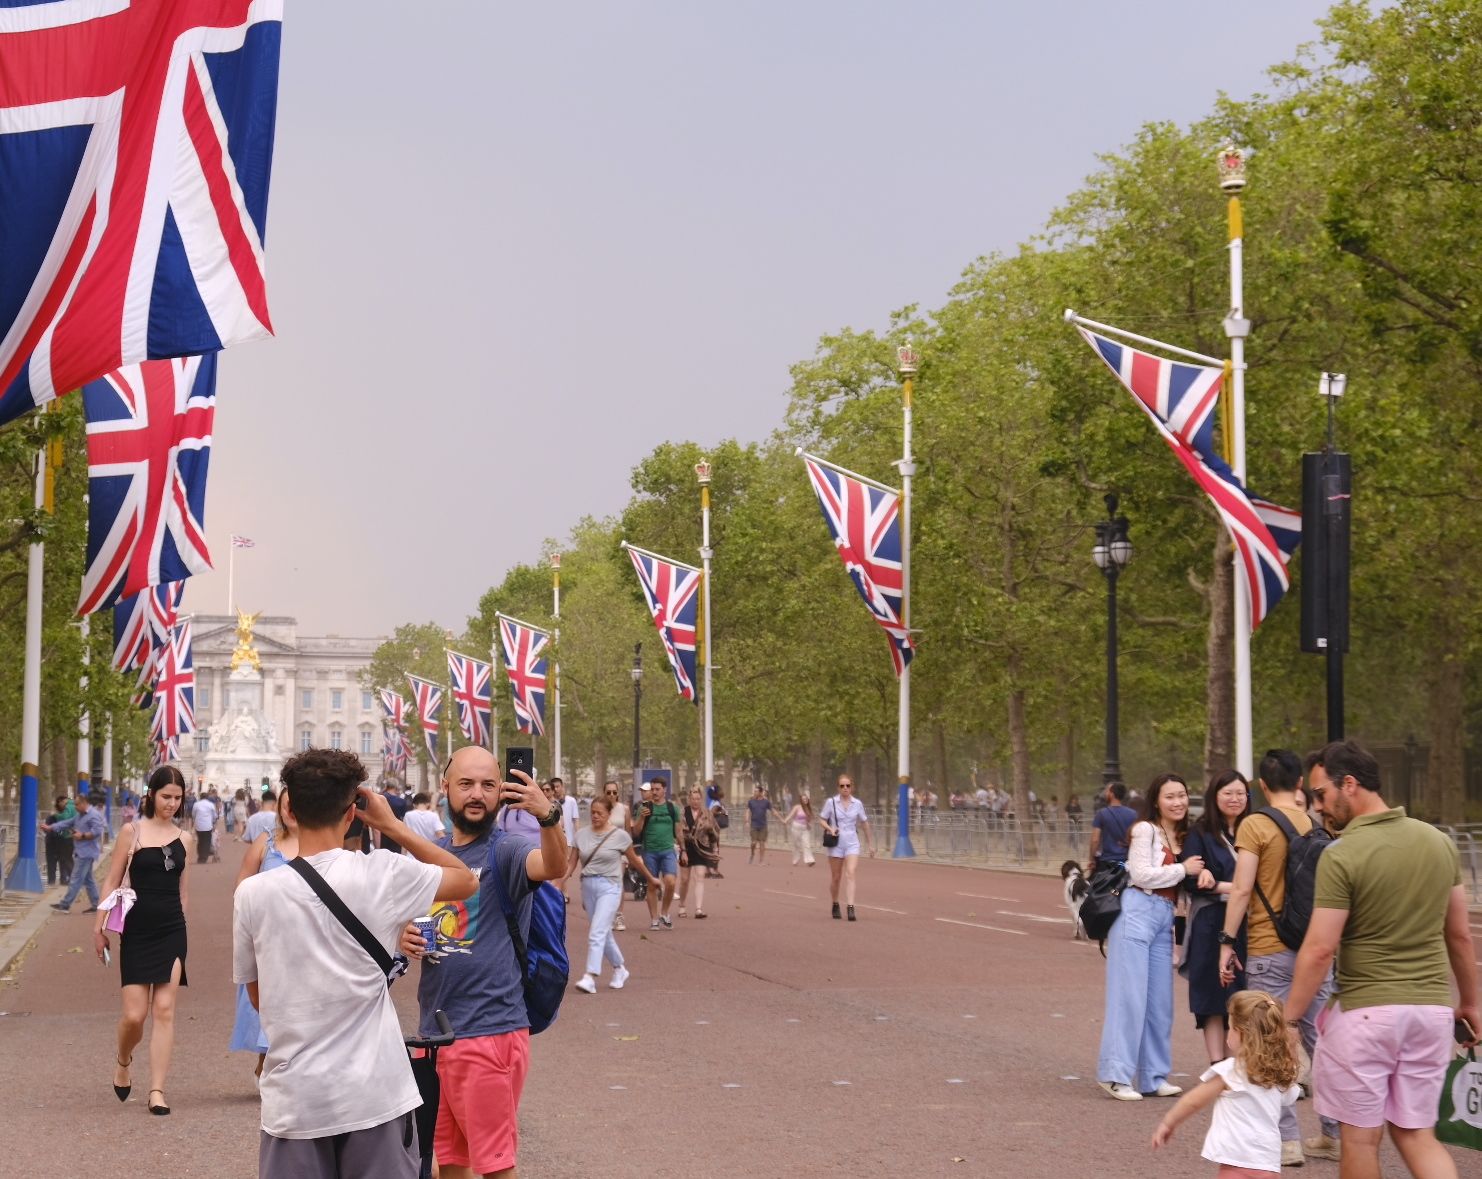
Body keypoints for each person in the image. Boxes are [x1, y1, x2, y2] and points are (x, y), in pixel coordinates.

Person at [233, 749, 477, 1178]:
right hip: (375, 1094)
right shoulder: (382, 872)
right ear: (352, 814)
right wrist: (391, 825)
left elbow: (258, 996)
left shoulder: (253, 894)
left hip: (296, 1099)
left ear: (287, 808)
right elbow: (465, 878)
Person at [1283, 740, 1480, 1179]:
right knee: (1416, 1135)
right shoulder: (1438, 843)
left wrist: (1290, 1020)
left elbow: (1319, 949)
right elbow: (1459, 936)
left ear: (1348, 785)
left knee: (1360, 1138)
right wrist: (1470, 1003)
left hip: (1366, 1011)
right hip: (1429, 1011)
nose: (1318, 808)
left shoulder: (1342, 854)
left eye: (1321, 794)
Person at [413, 746, 569, 1179]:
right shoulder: (433, 853)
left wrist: (548, 816)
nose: (477, 794)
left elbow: (554, 864)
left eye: (487, 785)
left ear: (501, 791)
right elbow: (422, 923)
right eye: (466, 784)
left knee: (495, 1165)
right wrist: (405, 935)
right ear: (446, 788)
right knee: (451, 1160)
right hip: (437, 1032)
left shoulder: (507, 850)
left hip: (489, 1031)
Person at [1217, 749, 1341, 1164]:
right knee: (1319, 1041)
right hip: (1313, 947)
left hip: (1269, 947)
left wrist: (1226, 940)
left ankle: (1286, 1140)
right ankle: (1334, 1131)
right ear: (1301, 783)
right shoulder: (1317, 822)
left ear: (1262, 786)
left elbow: (1241, 888)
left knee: (1271, 1042)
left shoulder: (1255, 824)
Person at [1097, 773, 1205, 1101]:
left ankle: (1153, 1076)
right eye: (1170, 796)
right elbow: (1140, 873)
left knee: (1159, 1002)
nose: (1178, 802)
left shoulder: (1185, 836)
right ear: (1156, 800)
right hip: (1136, 910)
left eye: (1182, 795)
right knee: (1128, 996)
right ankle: (1115, 1074)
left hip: (1164, 918)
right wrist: (1183, 869)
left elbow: (1191, 874)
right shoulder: (1146, 830)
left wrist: (1199, 872)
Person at [92, 767, 190, 1116]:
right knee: (135, 1015)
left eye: (178, 798)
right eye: (166, 796)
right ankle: (123, 1060)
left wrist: (183, 923)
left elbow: (182, 889)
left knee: (164, 1011)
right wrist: (99, 925)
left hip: (172, 930)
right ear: (151, 795)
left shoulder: (184, 837)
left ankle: (157, 1090)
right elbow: (111, 879)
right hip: (136, 929)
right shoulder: (131, 832)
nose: (172, 804)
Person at [1151, 990, 1302, 1177]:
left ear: (1241, 1034)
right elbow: (1288, 1098)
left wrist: (1168, 1123)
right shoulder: (1279, 1073)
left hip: (1235, 1159)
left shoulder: (1231, 1071)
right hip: (1268, 1162)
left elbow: (1194, 1101)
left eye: (1230, 1027)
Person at [1180, 771, 1251, 1065]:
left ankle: (1238, 1063)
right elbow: (1191, 879)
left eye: (1240, 793)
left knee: (1241, 992)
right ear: (1214, 796)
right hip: (1210, 922)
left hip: (1247, 922)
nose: (1234, 799)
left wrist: (1223, 885)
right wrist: (1235, 887)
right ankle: (1217, 1063)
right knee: (1211, 994)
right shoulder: (1200, 833)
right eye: (1227, 793)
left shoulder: (1254, 828)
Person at [230, 790, 298, 1077]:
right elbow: (242, 886)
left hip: (301, 937)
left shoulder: (319, 844)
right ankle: (265, 1060)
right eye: (286, 807)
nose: (291, 812)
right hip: (267, 934)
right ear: (280, 810)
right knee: (264, 997)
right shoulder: (266, 841)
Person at [567, 794, 657, 993]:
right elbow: (571, 863)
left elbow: (634, 861)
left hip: (610, 886)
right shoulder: (581, 835)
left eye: (599, 813)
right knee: (603, 932)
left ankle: (590, 976)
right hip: (588, 886)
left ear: (609, 814)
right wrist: (559, 882)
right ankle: (619, 968)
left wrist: (651, 878)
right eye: (592, 813)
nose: (595, 816)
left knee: (597, 931)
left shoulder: (620, 836)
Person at [820, 776, 874, 921]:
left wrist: (870, 844)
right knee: (836, 878)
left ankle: (850, 907)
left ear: (852, 787)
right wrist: (830, 828)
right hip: (836, 842)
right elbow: (822, 819)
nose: (845, 788)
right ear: (838, 787)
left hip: (852, 842)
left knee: (850, 873)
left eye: (848, 785)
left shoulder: (857, 804)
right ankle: (835, 903)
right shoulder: (831, 802)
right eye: (842, 786)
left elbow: (864, 823)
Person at [633, 778, 684, 930]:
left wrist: (684, 849)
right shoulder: (644, 807)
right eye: (652, 789)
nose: (654, 792)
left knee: (670, 882)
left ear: (664, 790)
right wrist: (642, 816)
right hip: (650, 851)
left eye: (657, 789)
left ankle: (665, 912)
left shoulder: (671, 808)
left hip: (668, 849)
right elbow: (636, 831)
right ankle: (654, 919)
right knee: (652, 885)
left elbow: (679, 830)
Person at [47, 792, 106, 912]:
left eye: (77, 804)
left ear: (84, 803)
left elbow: (97, 831)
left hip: (87, 852)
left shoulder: (94, 815)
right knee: (88, 880)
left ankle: (65, 905)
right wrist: (52, 827)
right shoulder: (79, 815)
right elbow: (67, 823)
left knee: (76, 878)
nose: (75, 807)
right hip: (81, 851)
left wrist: (82, 835)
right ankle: (96, 904)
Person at [678, 786, 721, 918]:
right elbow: (678, 832)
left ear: (701, 799)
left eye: (698, 798)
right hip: (686, 848)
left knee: (700, 877)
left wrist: (715, 848)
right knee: (685, 879)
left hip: (702, 848)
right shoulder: (683, 813)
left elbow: (714, 831)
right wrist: (682, 849)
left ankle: (698, 909)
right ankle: (682, 905)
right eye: (693, 799)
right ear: (689, 799)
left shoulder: (707, 813)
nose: (695, 801)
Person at [1088, 780, 1137, 873]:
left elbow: (1095, 840)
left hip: (1107, 861)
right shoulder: (1133, 814)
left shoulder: (1101, 814)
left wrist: (1091, 859)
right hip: (1126, 861)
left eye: (1107, 791)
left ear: (1112, 794)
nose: (1106, 793)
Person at [601, 782, 631, 930]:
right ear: (604, 793)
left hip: (619, 852)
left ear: (618, 793)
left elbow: (628, 833)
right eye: (608, 792)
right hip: (603, 852)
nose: (611, 795)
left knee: (618, 882)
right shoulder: (599, 809)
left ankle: (619, 915)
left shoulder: (624, 809)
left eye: (614, 792)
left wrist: (629, 854)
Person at [551, 778, 579, 901]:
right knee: (559, 866)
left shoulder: (571, 801)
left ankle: (563, 892)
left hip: (569, 839)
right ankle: (562, 892)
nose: (556, 789)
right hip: (555, 838)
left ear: (563, 787)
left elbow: (575, 819)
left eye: (558, 786)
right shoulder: (550, 802)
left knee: (565, 866)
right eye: (554, 787)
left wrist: (577, 836)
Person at [44, 793, 76, 886]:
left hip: (56, 842)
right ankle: (61, 880)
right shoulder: (68, 812)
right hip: (61, 841)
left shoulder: (59, 815)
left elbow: (48, 829)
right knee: (63, 861)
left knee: (57, 862)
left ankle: (53, 881)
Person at [783, 793, 816, 867]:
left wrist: (809, 824)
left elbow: (809, 820)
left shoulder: (809, 809)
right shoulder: (797, 807)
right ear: (801, 800)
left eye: (806, 799)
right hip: (796, 827)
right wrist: (786, 820)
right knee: (796, 845)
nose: (805, 800)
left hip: (805, 829)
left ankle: (809, 860)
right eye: (803, 799)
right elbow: (791, 815)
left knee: (807, 844)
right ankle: (795, 859)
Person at [378, 779, 410, 853]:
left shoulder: (379, 798)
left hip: (382, 830)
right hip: (396, 831)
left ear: (387, 786)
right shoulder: (401, 801)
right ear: (396, 787)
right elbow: (403, 819)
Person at [746, 784, 774, 865]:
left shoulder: (766, 802)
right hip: (754, 825)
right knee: (753, 842)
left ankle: (761, 860)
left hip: (763, 825)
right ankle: (752, 854)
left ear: (761, 792)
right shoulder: (751, 801)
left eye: (756, 791)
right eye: (754, 791)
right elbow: (748, 811)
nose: (754, 792)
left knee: (762, 843)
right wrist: (747, 821)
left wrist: (781, 819)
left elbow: (773, 810)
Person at [191, 790, 216, 864]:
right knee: (207, 841)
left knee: (200, 841)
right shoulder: (210, 804)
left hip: (199, 825)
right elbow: (214, 815)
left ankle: (200, 856)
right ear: (207, 797)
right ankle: (204, 857)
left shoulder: (196, 804)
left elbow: (193, 814)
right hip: (208, 825)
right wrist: (213, 822)